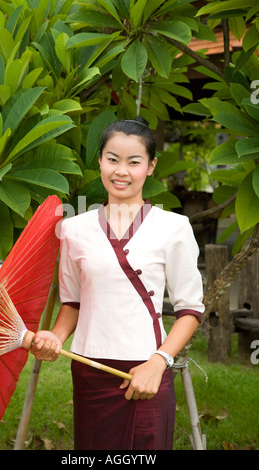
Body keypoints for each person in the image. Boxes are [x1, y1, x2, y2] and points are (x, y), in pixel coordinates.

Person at [31, 117, 204, 450]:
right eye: (112, 159)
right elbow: (72, 302)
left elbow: (190, 310)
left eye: (134, 162)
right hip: (89, 369)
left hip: (148, 368)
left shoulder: (174, 227)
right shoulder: (74, 229)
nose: (121, 171)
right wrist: (55, 335)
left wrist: (158, 362)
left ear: (151, 166)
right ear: (99, 162)